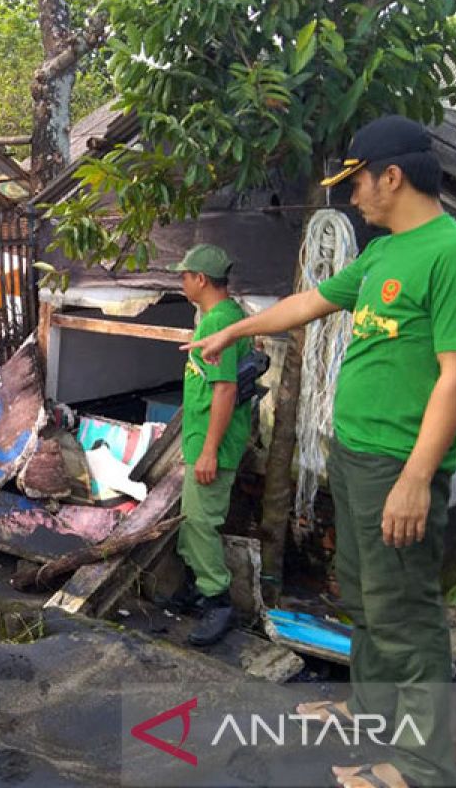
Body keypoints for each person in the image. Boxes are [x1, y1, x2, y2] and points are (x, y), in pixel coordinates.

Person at [185, 115, 456, 788]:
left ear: (392, 176)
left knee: (405, 612)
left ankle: (422, 767)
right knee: (362, 594)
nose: (351, 198)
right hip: (354, 456)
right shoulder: (383, 253)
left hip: (399, 466)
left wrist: (416, 477)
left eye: (356, 183)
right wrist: (232, 330)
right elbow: (308, 304)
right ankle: (371, 712)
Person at [172, 243, 252, 647]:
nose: (181, 282)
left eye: (184, 276)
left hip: (212, 444)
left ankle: (218, 602)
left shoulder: (217, 323)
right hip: (204, 438)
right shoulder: (226, 316)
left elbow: (224, 390)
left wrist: (208, 451)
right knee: (191, 518)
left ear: (200, 279)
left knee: (202, 522)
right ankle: (195, 588)